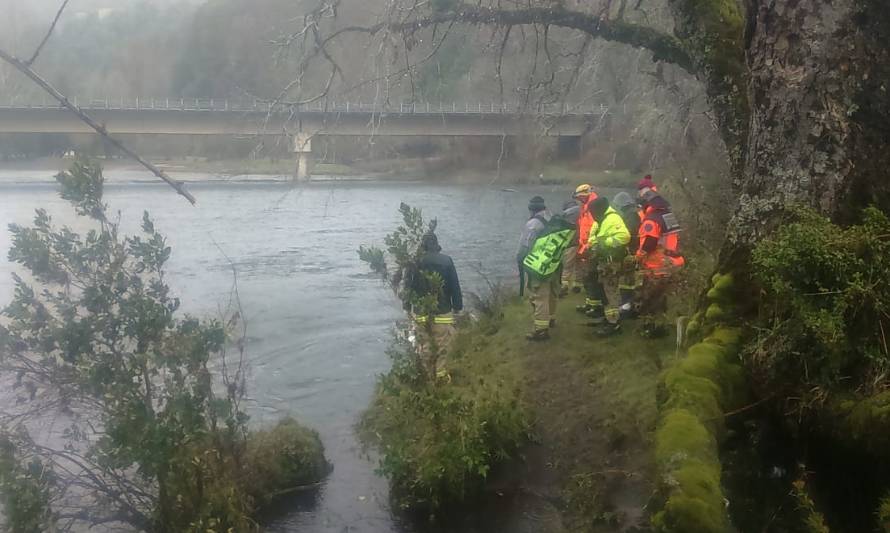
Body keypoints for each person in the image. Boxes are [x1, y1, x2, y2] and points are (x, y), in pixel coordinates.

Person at [405, 232, 463, 377]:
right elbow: (455, 287)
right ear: (437, 246)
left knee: (424, 346)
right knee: (442, 347)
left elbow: (408, 287)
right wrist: (457, 307)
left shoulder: (414, 263)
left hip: (420, 314)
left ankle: (426, 377)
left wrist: (407, 306)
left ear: (422, 246)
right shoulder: (447, 261)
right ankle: (440, 378)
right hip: (442, 313)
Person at [519, 196, 574, 341]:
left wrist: (522, 261)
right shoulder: (553, 219)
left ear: (531, 209)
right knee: (551, 293)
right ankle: (551, 319)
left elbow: (525, 246)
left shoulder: (533, 224)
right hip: (555, 264)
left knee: (539, 297)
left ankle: (541, 330)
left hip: (539, 267)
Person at [636, 189, 685, 337]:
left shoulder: (651, 219)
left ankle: (650, 329)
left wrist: (638, 256)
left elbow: (650, 242)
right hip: (672, 262)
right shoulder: (668, 216)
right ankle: (661, 326)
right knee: (662, 298)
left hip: (656, 264)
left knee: (650, 298)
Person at [586, 196, 631, 336]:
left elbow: (625, 236)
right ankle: (609, 318)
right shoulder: (602, 220)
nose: (592, 216)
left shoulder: (612, 219)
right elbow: (594, 236)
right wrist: (596, 243)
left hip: (611, 262)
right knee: (604, 292)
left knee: (610, 292)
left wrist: (606, 243)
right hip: (603, 262)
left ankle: (614, 323)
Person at [571, 184, 604, 317]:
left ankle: (595, 306)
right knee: (587, 278)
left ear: (585, 195)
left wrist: (589, 246)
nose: (579, 200)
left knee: (592, 277)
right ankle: (590, 303)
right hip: (585, 246)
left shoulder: (594, 207)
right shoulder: (586, 207)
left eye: (579, 197)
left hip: (591, 247)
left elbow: (594, 229)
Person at [612, 191, 642, 319]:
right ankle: (628, 305)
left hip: (630, 252)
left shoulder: (630, 217)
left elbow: (628, 235)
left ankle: (627, 306)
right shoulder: (633, 215)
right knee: (628, 280)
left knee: (627, 281)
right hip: (632, 251)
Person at [559, 200, 582, 297]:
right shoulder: (583, 211)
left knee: (567, 266)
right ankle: (578, 285)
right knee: (579, 264)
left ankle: (564, 286)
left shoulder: (565, 215)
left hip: (571, 243)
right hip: (582, 243)